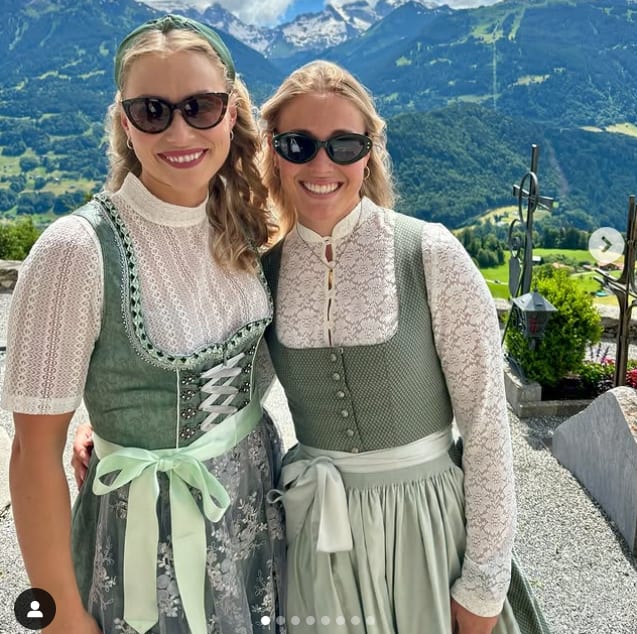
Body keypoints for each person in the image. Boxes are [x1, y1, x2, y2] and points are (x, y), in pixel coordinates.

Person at [3, 15, 284, 634]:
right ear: (126, 123)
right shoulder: (75, 252)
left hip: (257, 513)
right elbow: (32, 454)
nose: (180, 131)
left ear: (231, 113)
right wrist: (60, 617)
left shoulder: (244, 222)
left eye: (201, 107)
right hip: (143, 538)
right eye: (152, 111)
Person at [257, 60, 551, 634]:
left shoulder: (429, 254)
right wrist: (116, 430)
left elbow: (486, 425)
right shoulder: (265, 274)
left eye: (344, 145)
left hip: (428, 530)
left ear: (368, 153)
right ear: (275, 151)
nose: (322, 164)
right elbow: (228, 401)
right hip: (318, 538)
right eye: (299, 144)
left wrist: (484, 580)